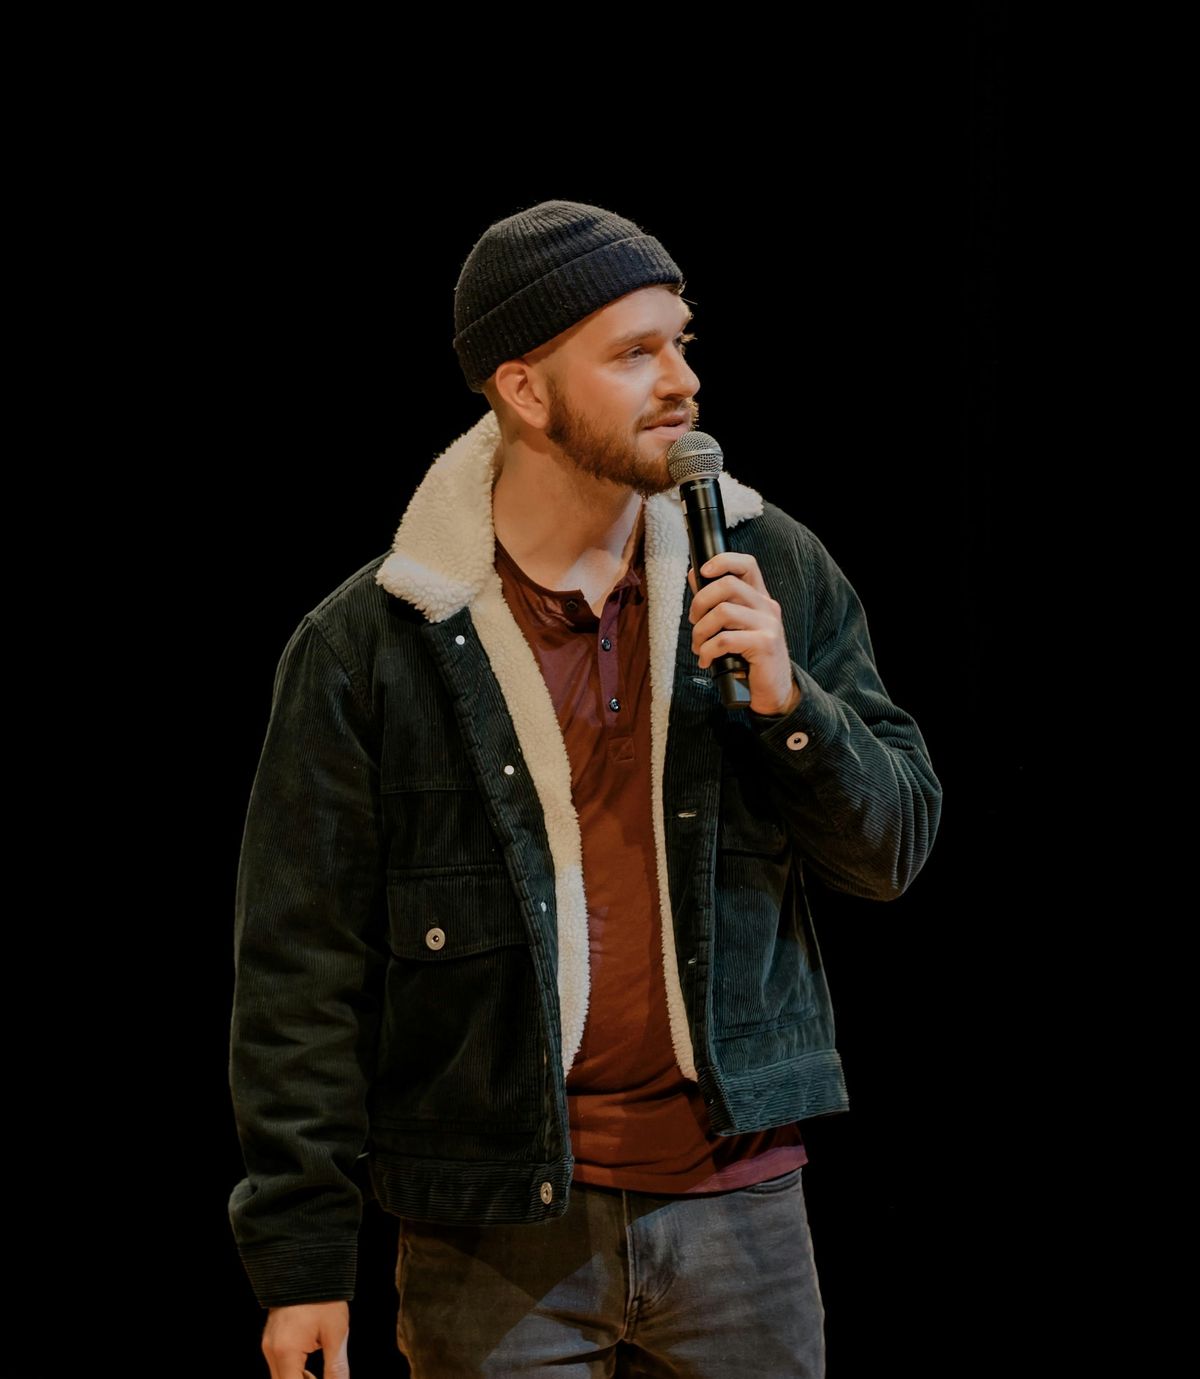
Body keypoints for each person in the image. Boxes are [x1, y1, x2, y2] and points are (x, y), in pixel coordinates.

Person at [228, 198, 943, 1379]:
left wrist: (792, 707)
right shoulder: (378, 641)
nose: (683, 381)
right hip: (492, 1229)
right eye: (634, 352)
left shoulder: (769, 566)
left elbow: (892, 849)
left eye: (682, 342)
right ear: (523, 388)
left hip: (739, 1210)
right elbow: (299, 969)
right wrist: (302, 1257)